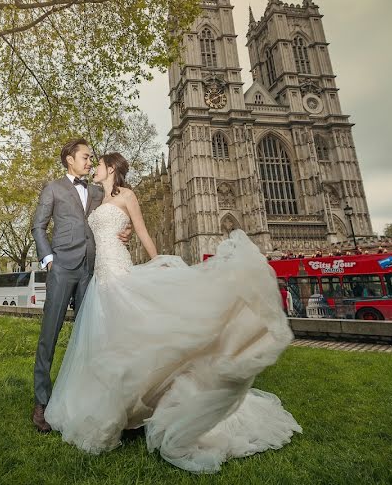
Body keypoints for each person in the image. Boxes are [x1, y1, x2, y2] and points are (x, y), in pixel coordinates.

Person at [43, 152, 301, 474]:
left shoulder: (128, 195)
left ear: (110, 168)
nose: (93, 166)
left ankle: (135, 409)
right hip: (101, 277)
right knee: (111, 342)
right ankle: (126, 409)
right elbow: (88, 231)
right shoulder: (95, 197)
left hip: (120, 271)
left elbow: (141, 230)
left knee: (134, 338)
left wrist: (155, 261)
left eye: (98, 163)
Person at [31, 138, 131, 434]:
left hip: (91, 270)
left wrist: (126, 231)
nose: (90, 162)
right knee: (49, 335)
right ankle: (41, 402)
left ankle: (90, 399)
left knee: (91, 337)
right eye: (86, 157)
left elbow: (119, 210)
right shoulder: (53, 189)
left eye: (92, 158)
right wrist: (49, 260)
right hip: (62, 268)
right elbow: (38, 225)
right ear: (69, 159)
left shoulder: (99, 191)